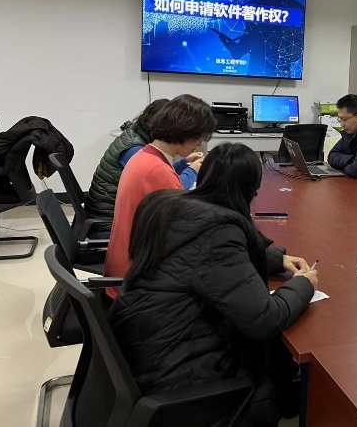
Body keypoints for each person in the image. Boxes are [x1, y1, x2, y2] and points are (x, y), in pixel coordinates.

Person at [110, 143, 317, 427]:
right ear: (250, 190)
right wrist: (304, 285)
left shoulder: (169, 206)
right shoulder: (218, 232)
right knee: (281, 373)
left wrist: (275, 259)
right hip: (182, 381)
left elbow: (201, 260)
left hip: (148, 348)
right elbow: (264, 318)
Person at [103, 94, 216, 296]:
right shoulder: (157, 171)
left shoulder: (144, 155)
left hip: (126, 265)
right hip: (136, 281)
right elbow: (184, 226)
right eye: (198, 135)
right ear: (184, 130)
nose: (200, 142)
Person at [84, 98, 204, 220]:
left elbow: (163, 176)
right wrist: (192, 171)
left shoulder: (135, 138)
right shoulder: (134, 150)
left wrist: (184, 162)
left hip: (109, 211)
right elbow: (169, 188)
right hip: (106, 217)